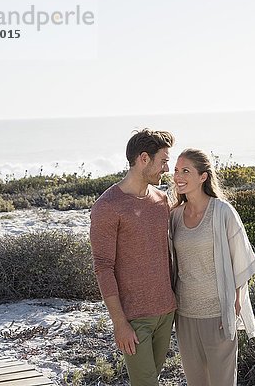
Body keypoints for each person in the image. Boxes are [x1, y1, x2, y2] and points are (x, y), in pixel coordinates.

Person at [90, 128, 177, 386]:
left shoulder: (162, 201)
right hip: (136, 318)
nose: (166, 168)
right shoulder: (107, 207)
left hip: (166, 311)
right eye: (163, 161)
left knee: (153, 379)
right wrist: (120, 323)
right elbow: (103, 268)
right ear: (143, 159)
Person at [170, 148, 255, 386]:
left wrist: (235, 304)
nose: (178, 176)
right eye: (176, 170)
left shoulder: (222, 212)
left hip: (217, 314)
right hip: (185, 314)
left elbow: (242, 260)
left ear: (203, 176)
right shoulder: (175, 215)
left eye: (186, 171)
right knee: (196, 382)